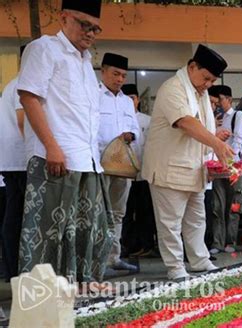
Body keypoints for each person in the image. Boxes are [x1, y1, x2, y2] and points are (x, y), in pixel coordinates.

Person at [16, 0, 113, 284]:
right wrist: (51, 147)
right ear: (63, 18)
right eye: (85, 25)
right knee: (48, 233)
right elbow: (29, 97)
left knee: (85, 231)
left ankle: (77, 291)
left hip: (87, 161)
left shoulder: (85, 62)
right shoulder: (44, 48)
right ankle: (40, 299)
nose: (91, 33)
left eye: (96, 28)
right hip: (56, 158)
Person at [141, 44, 234, 280]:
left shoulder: (199, 94)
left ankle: (199, 260)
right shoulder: (173, 88)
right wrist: (217, 143)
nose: (208, 84)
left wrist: (213, 159)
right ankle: (175, 267)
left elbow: (203, 130)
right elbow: (185, 122)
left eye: (212, 80)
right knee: (170, 223)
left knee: (196, 219)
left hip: (194, 170)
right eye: (206, 78)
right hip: (169, 169)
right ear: (192, 67)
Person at [98, 53, 140, 272]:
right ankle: (97, 260)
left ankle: (114, 258)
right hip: (100, 165)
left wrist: (130, 135)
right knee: (100, 212)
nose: (120, 79)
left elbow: (135, 128)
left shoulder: (125, 101)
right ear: (103, 71)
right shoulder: (93, 96)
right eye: (115, 74)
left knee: (118, 213)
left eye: (123, 75)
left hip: (122, 166)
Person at [208, 85, 242, 254]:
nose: (217, 104)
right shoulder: (214, 118)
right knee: (217, 205)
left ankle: (230, 241)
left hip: (234, 166)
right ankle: (217, 243)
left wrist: (229, 161)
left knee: (234, 205)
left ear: (229, 100)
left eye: (220, 100)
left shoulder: (238, 116)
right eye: (214, 101)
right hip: (217, 166)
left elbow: (239, 141)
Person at [120, 83, 157, 257]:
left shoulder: (147, 121)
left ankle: (147, 244)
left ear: (138, 100)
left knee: (144, 211)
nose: (129, 101)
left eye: (132, 98)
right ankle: (126, 246)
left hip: (143, 174)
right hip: (123, 174)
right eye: (125, 98)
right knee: (125, 212)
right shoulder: (117, 119)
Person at [0, 45, 27, 281]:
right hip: (22, 161)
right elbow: (23, 123)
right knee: (19, 217)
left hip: (12, 161)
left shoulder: (13, 83)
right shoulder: (23, 85)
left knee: (14, 214)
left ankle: (12, 270)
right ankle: (18, 269)